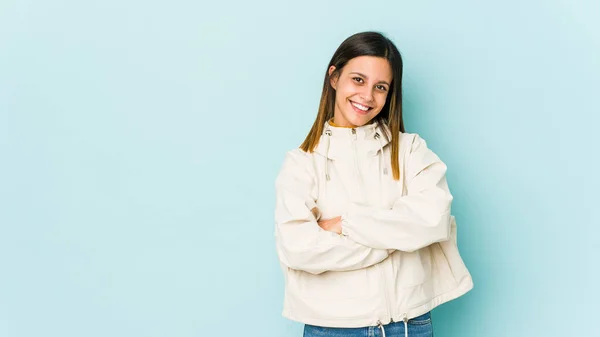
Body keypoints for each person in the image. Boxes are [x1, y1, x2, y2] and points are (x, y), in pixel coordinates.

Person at [274, 31, 473, 337]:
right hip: (333, 329)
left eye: (380, 87)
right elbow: (299, 250)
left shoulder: (411, 150)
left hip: (410, 325)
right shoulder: (301, 163)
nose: (367, 96)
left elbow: (433, 219)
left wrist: (345, 223)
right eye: (358, 80)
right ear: (334, 77)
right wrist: (397, 239)